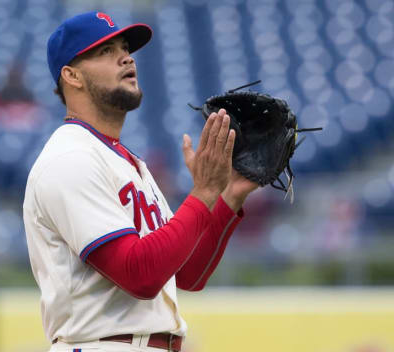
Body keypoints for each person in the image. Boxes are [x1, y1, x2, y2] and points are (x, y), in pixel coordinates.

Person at [23, 11, 258, 352]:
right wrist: (203, 192)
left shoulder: (126, 162)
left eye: (124, 47)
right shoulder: (69, 157)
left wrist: (227, 196)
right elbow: (139, 274)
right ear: (71, 75)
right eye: (105, 51)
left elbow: (185, 272)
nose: (126, 56)